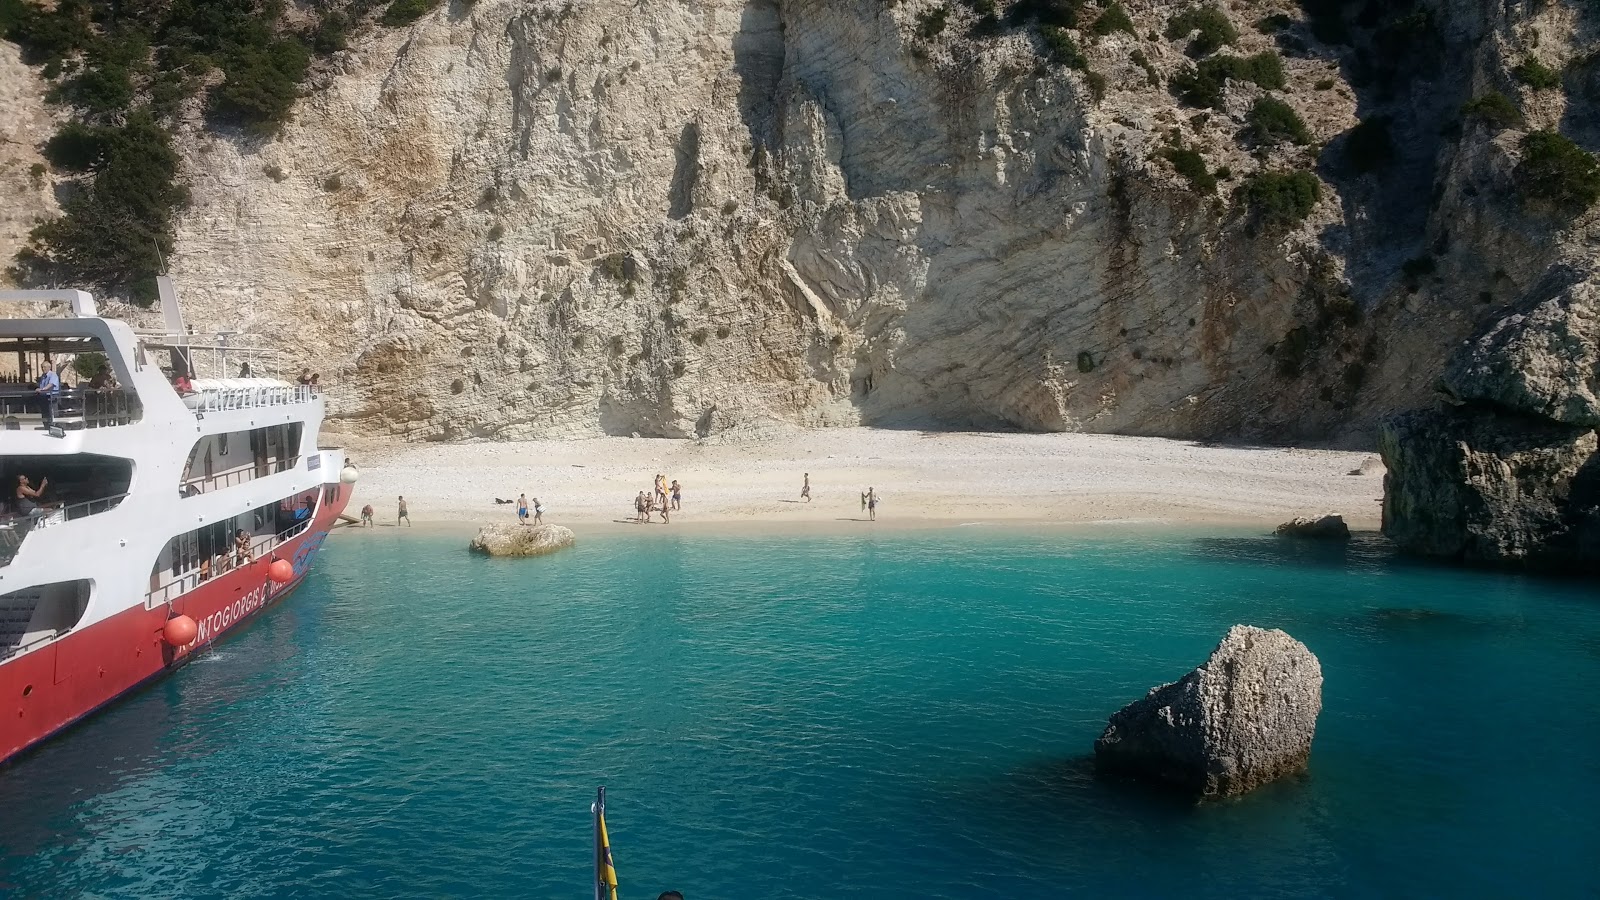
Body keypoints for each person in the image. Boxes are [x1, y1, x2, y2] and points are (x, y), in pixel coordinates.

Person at [35, 357, 59, 428]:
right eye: (42, 367)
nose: (43, 369)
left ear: (49, 367)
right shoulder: (43, 376)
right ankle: (46, 427)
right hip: (44, 397)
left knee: (52, 413)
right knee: (45, 413)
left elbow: (50, 384)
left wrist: (42, 389)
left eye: (45, 367)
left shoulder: (53, 375)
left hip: (52, 397)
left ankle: (53, 427)